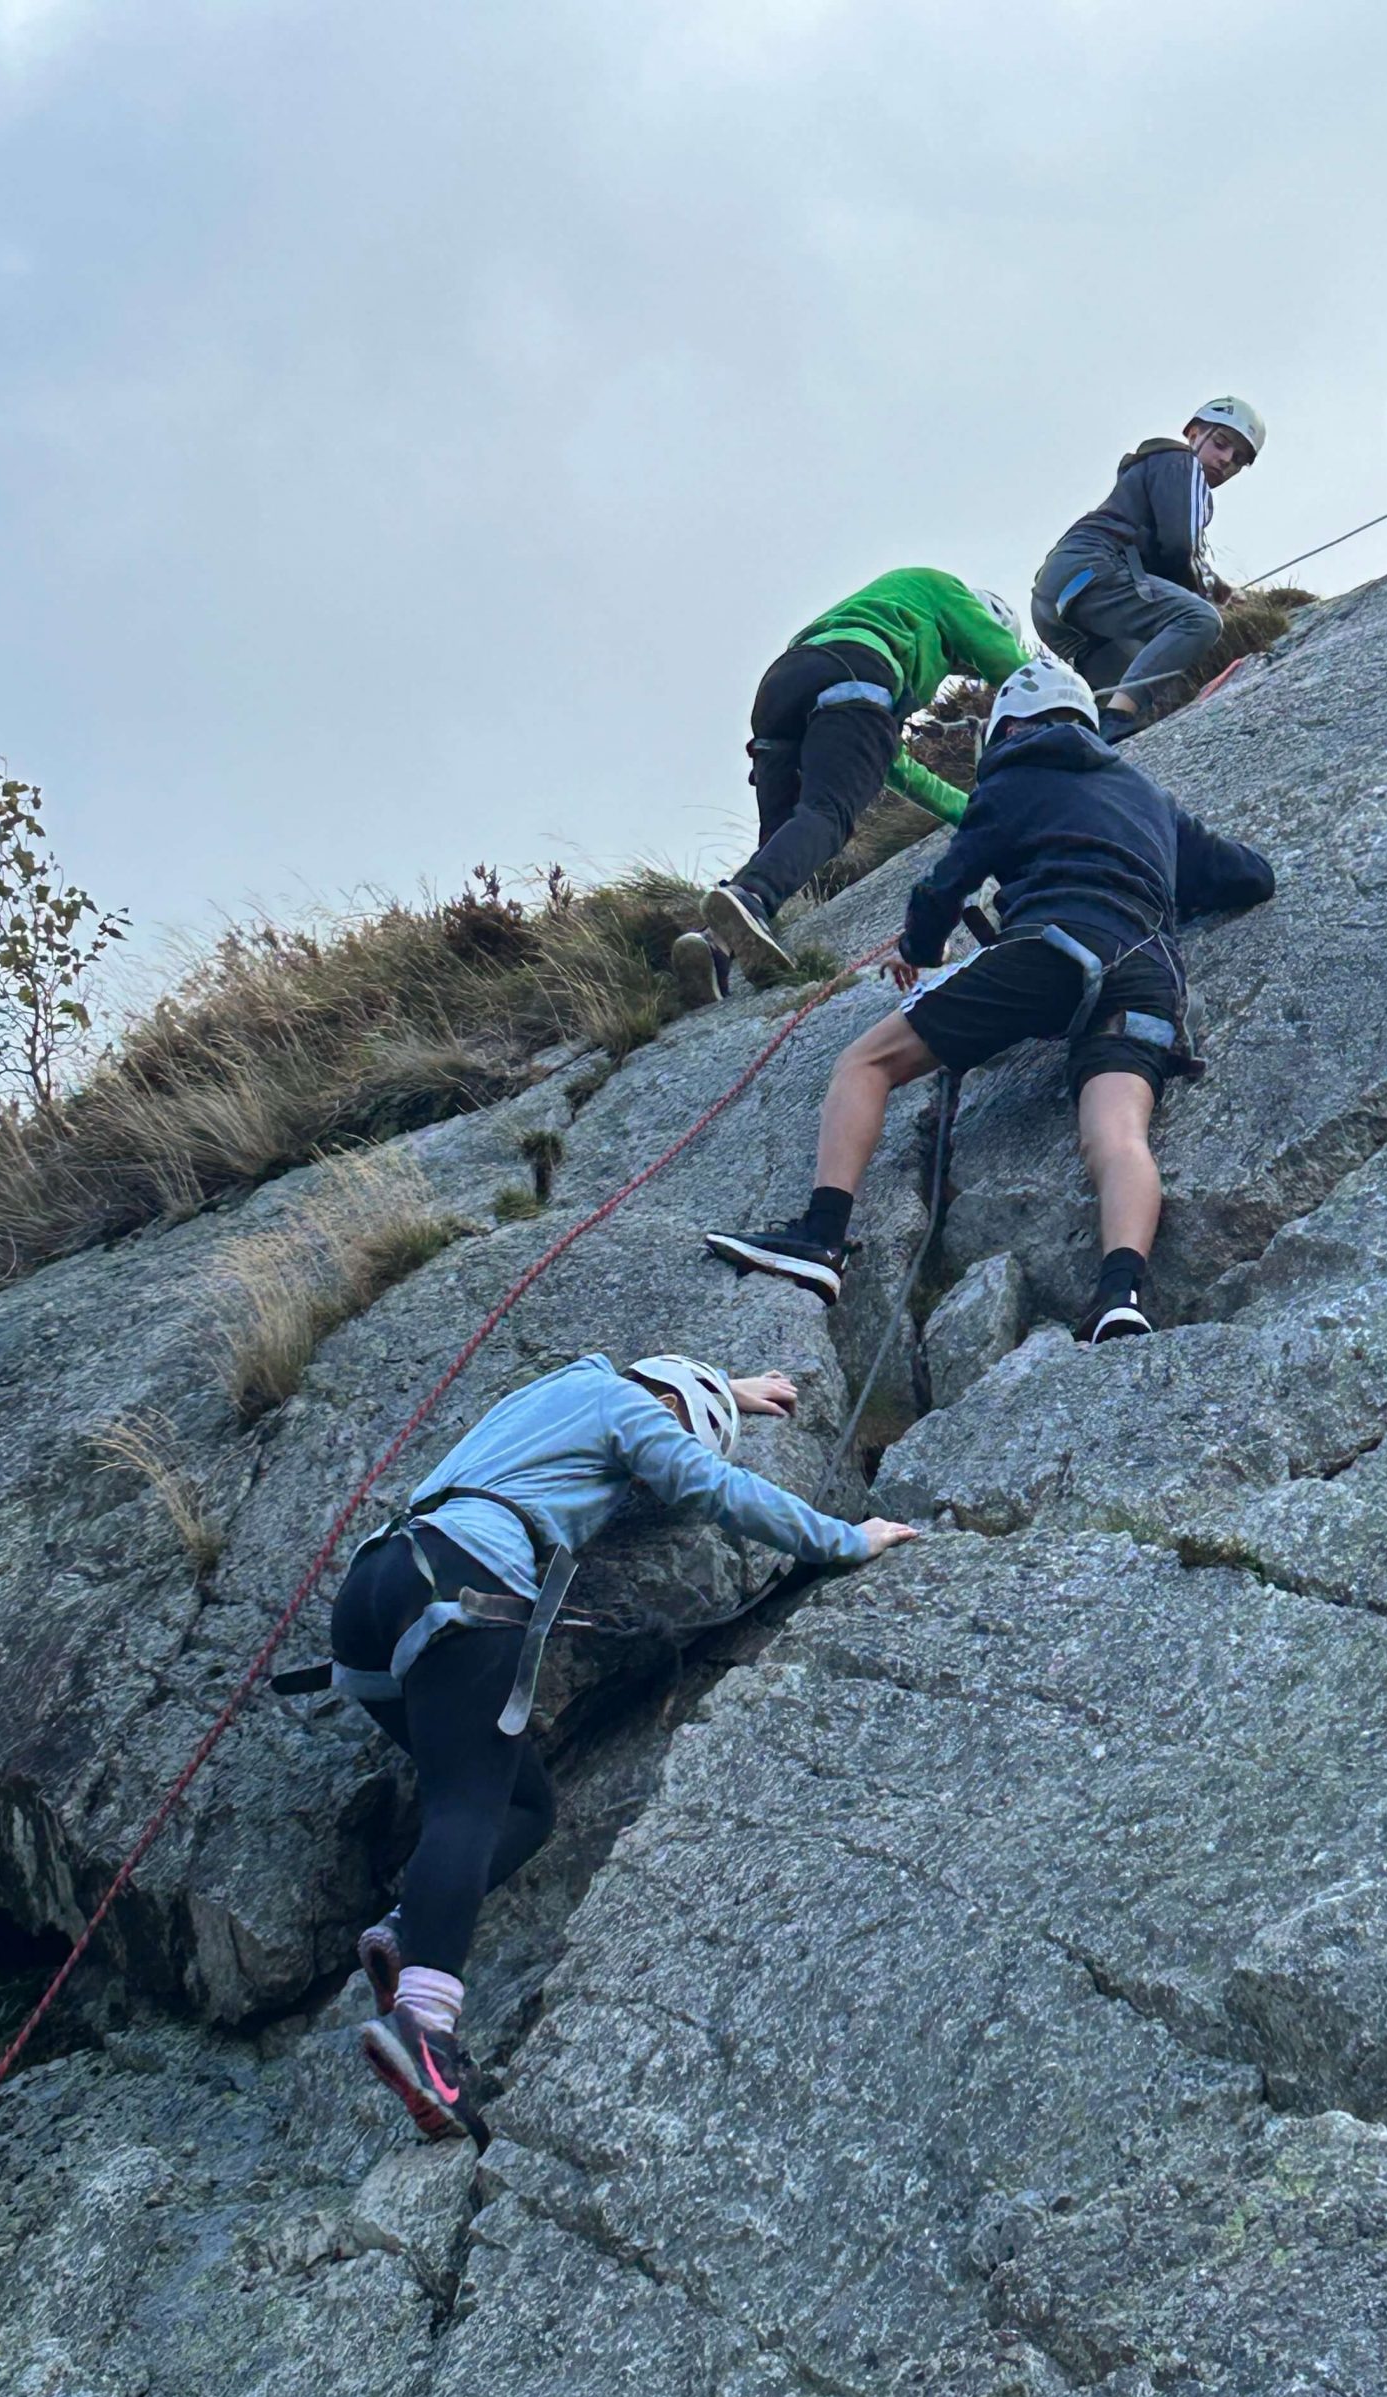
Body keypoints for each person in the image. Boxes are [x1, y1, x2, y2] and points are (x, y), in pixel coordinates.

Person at [327, 1352, 917, 2142]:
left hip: (372, 1589)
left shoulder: (566, 1388)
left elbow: (649, 1382)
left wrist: (728, 1391)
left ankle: (411, 1933)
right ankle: (424, 2026)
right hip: (462, 1575)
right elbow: (716, 1489)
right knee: (466, 1805)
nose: (644, 1484)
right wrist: (844, 1538)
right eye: (674, 1439)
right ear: (668, 1408)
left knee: (524, 1806)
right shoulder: (629, 1407)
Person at [702, 658, 1274, 1345]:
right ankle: (1120, 1294)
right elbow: (1250, 877)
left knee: (865, 1063)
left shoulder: (1011, 780)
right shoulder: (1150, 797)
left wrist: (918, 950)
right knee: (1117, 1135)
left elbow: (944, 888)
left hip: (1050, 951)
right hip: (1148, 973)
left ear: (1006, 728)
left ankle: (821, 1238)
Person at [670, 569, 1030, 1008]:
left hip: (783, 685)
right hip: (853, 674)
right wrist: (1069, 705)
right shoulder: (944, 591)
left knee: (784, 839)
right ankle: (751, 896)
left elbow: (891, 764)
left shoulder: (884, 613)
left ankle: (712, 945)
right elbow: (1013, 667)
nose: (960, 670)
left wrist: (971, 810)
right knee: (829, 815)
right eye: (963, 665)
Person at [1030, 397, 1265, 746]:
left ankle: (1095, 736)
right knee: (1199, 620)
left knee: (1135, 673)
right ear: (1193, 433)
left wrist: (1215, 586)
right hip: (1094, 569)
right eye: (1220, 443)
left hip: (1055, 600)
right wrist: (1208, 595)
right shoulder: (1182, 462)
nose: (1226, 460)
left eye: (1239, 460)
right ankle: (1116, 718)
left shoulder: (1150, 470)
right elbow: (1181, 546)